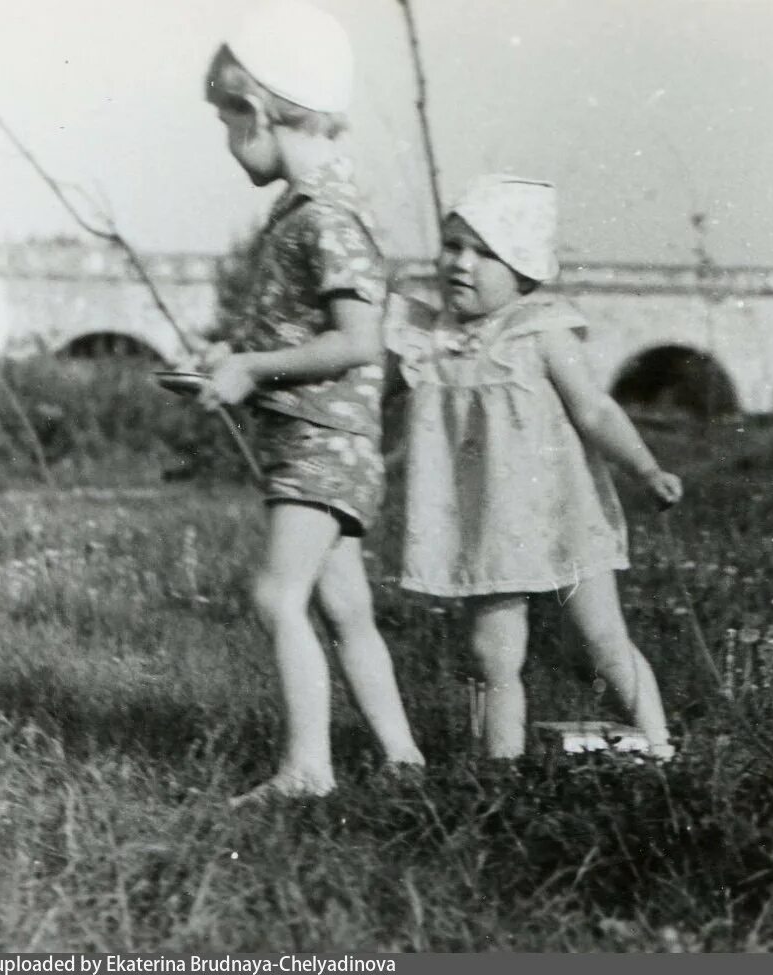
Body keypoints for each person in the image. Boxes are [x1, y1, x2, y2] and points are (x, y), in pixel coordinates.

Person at [196, 0, 424, 802]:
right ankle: (404, 762)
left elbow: (360, 338)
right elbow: (308, 326)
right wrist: (238, 357)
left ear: (257, 112)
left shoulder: (324, 215)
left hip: (321, 444)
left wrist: (254, 367)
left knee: (275, 593)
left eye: (229, 123)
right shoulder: (314, 207)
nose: (229, 144)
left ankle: (306, 768)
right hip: (332, 443)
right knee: (345, 608)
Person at [386, 175, 683, 761]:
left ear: (522, 269)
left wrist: (645, 470)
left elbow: (594, 409)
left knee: (603, 637)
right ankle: (503, 769)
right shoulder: (428, 339)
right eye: (452, 246)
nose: (461, 264)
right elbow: (375, 399)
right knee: (492, 653)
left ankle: (658, 744)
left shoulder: (538, 329)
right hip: (485, 523)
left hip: (561, 511)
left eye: (483, 252)